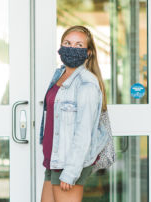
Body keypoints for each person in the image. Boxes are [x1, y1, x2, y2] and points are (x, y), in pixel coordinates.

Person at [40, 25, 109, 202]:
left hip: (69, 161)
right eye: (67, 43)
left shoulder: (87, 84)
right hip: (55, 159)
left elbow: (83, 132)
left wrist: (70, 172)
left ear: (88, 53)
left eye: (79, 45)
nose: (71, 48)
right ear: (61, 47)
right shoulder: (60, 75)